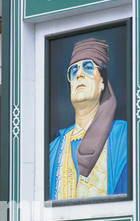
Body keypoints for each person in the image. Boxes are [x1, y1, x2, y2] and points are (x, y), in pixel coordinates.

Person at [49, 38, 127, 200]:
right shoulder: (54, 149)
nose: (79, 74)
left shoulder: (123, 136)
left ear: (102, 83)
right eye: (73, 70)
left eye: (89, 68)